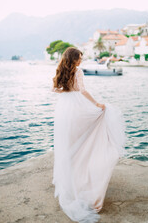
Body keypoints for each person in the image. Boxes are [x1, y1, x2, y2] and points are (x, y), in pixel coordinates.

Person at [51, 47, 126, 223]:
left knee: (69, 146)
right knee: (84, 140)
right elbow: (83, 91)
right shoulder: (78, 71)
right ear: (74, 59)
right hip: (76, 108)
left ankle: (69, 181)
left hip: (62, 110)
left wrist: (67, 92)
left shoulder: (60, 69)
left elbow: (55, 89)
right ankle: (81, 180)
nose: (81, 61)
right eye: (79, 58)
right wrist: (97, 104)